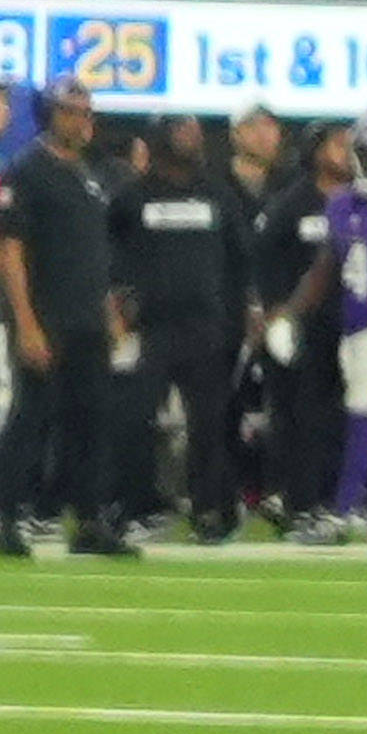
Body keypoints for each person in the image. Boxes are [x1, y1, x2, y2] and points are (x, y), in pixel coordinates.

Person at [0, 82, 126, 562]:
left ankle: (88, 520)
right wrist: (25, 321)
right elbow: (10, 250)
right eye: (71, 112)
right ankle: (7, 520)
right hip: (47, 315)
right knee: (32, 417)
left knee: (92, 421)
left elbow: (96, 253)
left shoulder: (92, 174)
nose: (82, 121)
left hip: (88, 317)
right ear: (51, 115)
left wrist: (108, 311)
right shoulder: (27, 171)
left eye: (86, 112)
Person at [114, 109, 251, 543]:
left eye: (195, 131)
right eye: (182, 130)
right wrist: (119, 306)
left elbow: (240, 258)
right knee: (135, 420)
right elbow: (110, 254)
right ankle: (136, 509)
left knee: (209, 425)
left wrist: (244, 313)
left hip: (207, 329)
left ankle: (212, 511)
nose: (193, 137)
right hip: (150, 329)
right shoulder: (132, 197)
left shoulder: (217, 195)